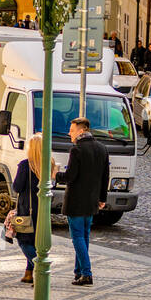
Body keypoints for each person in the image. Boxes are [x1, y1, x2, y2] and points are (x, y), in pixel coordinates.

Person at [62, 116, 109, 287]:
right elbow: (105, 177)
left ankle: (87, 273)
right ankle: (79, 271)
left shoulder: (77, 150)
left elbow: (70, 177)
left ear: (81, 131)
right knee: (84, 237)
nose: (69, 134)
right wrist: (102, 198)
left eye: (72, 130)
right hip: (91, 202)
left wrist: (54, 174)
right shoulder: (102, 148)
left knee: (77, 238)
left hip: (76, 201)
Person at [12, 134, 58, 284]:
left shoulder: (26, 165)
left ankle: (40, 270)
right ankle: (28, 274)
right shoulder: (50, 164)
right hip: (43, 210)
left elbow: (17, 187)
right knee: (36, 242)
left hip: (27, 209)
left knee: (24, 241)